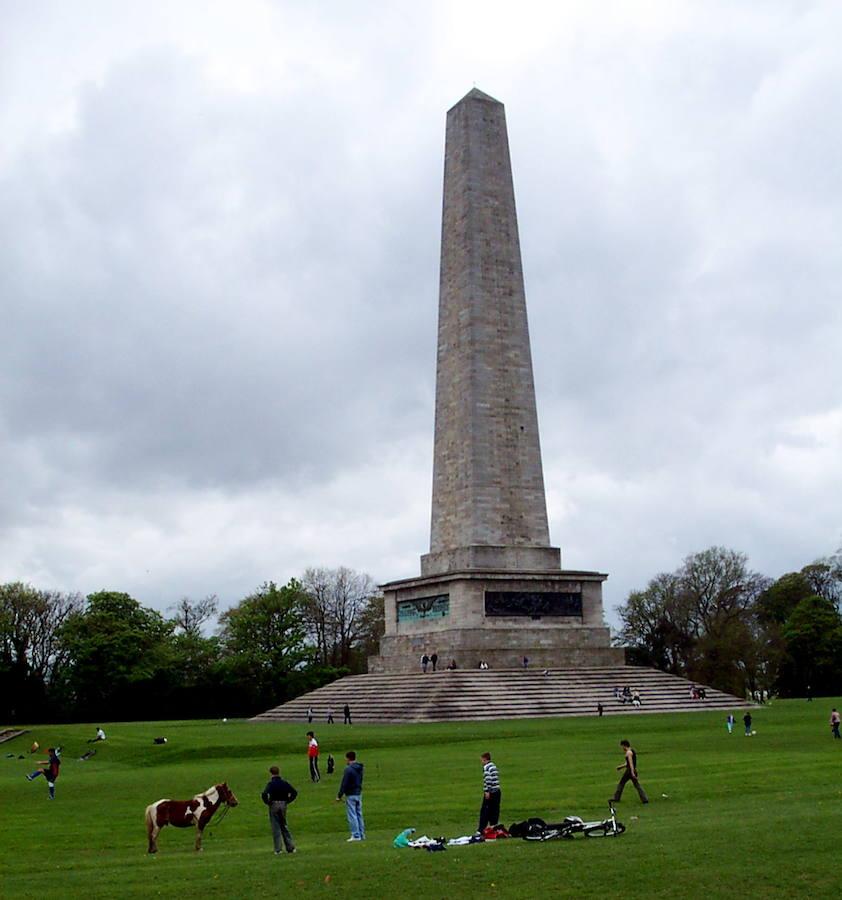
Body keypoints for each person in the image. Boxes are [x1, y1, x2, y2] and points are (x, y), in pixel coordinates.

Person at [261, 765, 298, 854]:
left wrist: (268, 802)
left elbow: (264, 794)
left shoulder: (271, 784)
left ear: (271, 774)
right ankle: (290, 847)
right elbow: (294, 792)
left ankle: (278, 849)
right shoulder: (284, 783)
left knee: (276, 827)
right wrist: (288, 801)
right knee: (284, 825)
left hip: (274, 804)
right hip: (283, 804)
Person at [336, 751, 365, 841]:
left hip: (351, 794)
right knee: (359, 814)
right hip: (358, 793)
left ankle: (356, 835)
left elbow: (344, 783)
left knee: (352, 815)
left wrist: (339, 795)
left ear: (348, 758)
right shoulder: (360, 768)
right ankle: (361, 833)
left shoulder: (348, 769)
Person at [611, 740, 649, 804]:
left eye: (622, 746)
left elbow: (631, 763)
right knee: (637, 785)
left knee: (621, 783)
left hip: (629, 771)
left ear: (624, 745)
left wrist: (632, 772)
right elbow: (628, 763)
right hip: (632, 770)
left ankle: (616, 798)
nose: (622, 748)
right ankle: (644, 799)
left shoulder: (628, 753)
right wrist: (621, 767)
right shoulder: (632, 751)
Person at [478, 752, 501, 833]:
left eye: (481, 760)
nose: (481, 762)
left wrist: (487, 791)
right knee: (495, 810)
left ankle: (481, 829)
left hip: (491, 792)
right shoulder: (493, 766)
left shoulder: (486, 767)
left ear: (485, 759)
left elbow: (488, 779)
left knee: (485, 811)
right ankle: (494, 827)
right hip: (497, 791)